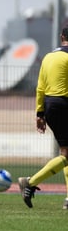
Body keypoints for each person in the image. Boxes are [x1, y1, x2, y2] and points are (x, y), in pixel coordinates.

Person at [18, 26, 68, 209]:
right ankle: (29, 182)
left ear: (61, 37)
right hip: (65, 104)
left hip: (50, 106)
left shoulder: (48, 57)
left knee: (66, 152)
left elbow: (40, 87)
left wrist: (40, 113)